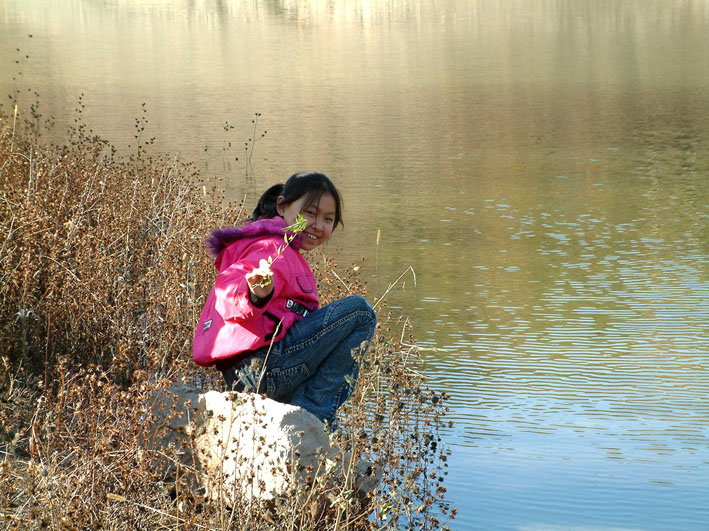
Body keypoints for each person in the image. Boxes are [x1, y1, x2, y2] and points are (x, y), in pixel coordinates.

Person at [193, 171, 377, 430]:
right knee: (360, 313)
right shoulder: (270, 248)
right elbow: (231, 290)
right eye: (310, 213)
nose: (317, 225)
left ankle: (311, 413)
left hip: (250, 373)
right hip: (264, 368)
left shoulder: (275, 245)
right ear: (282, 207)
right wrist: (256, 295)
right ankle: (314, 413)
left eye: (328, 219)